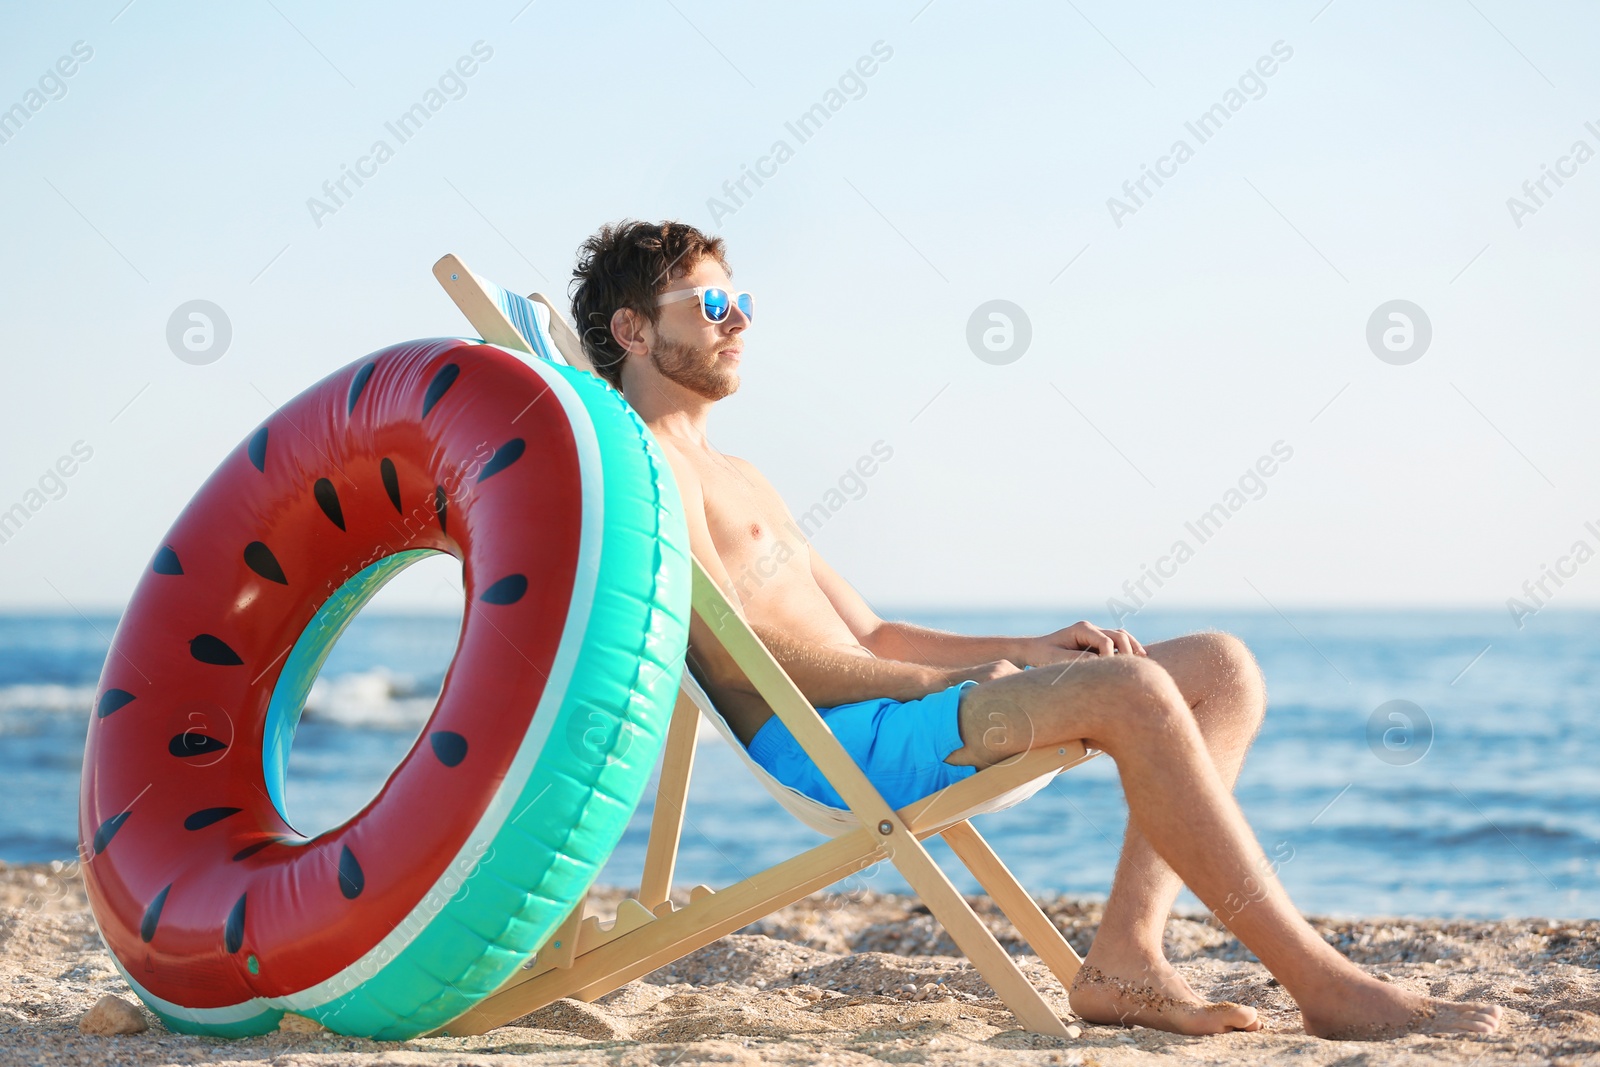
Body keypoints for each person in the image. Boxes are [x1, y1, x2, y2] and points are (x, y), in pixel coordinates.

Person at [568, 219, 1502, 1041]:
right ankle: (1323, 984)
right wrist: (953, 685)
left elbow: (876, 630)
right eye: (712, 301)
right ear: (634, 330)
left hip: (891, 709)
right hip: (839, 742)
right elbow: (738, 662)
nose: (738, 320)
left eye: (744, 301)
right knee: (1137, 692)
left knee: (1222, 667)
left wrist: (1026, 652)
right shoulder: (648, 462)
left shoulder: (739, 470)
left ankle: (1130, 954)